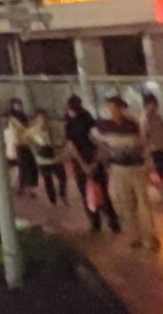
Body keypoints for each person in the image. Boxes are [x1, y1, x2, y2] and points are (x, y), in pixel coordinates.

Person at [94, 96, 158, 250]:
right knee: (126, 204)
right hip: (118, 168)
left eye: (116, 108)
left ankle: (149, 237)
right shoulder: (104, 127)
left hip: (136, 168)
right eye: (110, 108)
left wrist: (148, 164)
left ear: (123, 108)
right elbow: (100, 145)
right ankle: (134, 236)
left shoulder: (133, 124)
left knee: (143, 203)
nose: (113, 111)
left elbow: (143, 144)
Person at [64, 96, 114, 232]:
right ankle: (112, 222)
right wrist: (93, 163)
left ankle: (96, 224)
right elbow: (98, 143)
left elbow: (72, 146)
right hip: (91, 161)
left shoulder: (72, 123)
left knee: (89, 193)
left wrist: (85, 165)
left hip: (84, 161)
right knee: (102, 192)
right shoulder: (88, 120)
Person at [26, 106, 66, 207]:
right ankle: (53, 200)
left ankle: (62, 194)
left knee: (62, 177)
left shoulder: (53, 128)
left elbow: (61, 140)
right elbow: (26, 139)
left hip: (55, 157)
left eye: (44, 118)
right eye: (40, 118)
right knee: (48, 180)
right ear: (36, 120)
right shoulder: (33, 130)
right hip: (42, 159)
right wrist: (35, 148)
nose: (43, 121)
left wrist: (58, 146)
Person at [6, 102, 36, 195]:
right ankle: (22, 188)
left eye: (20, 105)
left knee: (29, 166)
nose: (20, 107)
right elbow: (21, 128)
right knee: (23, 167)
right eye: (17, 105)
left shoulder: (23, 116)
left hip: (25, 144)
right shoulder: (12, 119)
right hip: (19, 145)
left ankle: (27, 188)